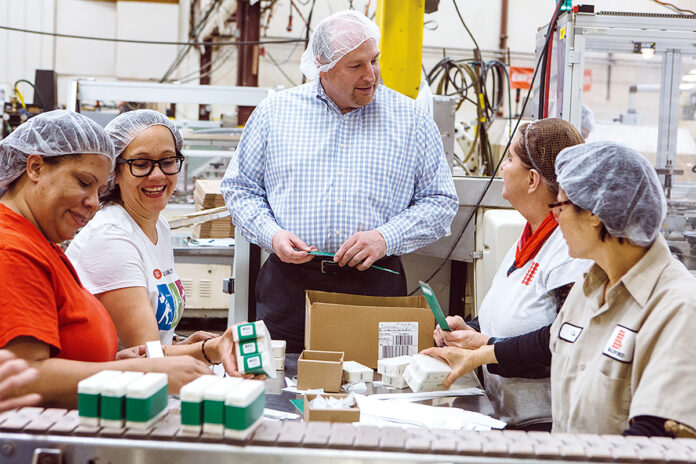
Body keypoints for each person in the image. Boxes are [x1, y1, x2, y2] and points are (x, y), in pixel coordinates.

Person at [221, 10, 458, 352]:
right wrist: (270, 234)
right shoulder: (275, 114)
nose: (371, 75)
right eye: (355, 65)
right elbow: (240, 189)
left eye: (374, 60)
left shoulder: (411, 121)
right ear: (322, 66)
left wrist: (384, 237)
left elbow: (440, 202)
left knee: (377, 387)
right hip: (290, 287)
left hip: (375, 285)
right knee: (282, 383)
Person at [424, 142, 696, 436]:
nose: (555, 217)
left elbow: (655, 438)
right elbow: (551, 344)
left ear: (595, 214)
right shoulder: (589, 288)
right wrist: (476, 352)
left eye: (561, 205)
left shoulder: (678, 308)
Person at [0, 110, 246, 408]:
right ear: (36, 167)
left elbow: (64, 355)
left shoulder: (42, 244)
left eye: (99, 189)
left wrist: (116, 361)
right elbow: (21, 379)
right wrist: (137, 369)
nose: (93, 203)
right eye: (82, 182)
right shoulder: (12, 249)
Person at [433, 118, 589, 431]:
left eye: (509, 159)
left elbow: (562, 343)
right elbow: (510, 316)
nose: (502, 168)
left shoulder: (567, 251)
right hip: (504, 416)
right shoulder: (528, 237)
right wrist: (469, 329)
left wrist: (484, 346)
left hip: (543, 428)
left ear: (532, 180)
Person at [67, 110, 212, 349]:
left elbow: (156, 343)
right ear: (115, 172)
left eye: (167, 162)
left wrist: (183, 345)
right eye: (141, 164)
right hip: (117, 383)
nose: (158, 175)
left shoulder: (157, 225)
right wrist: (208, 351)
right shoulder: (111, 237)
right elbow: (147, 354)